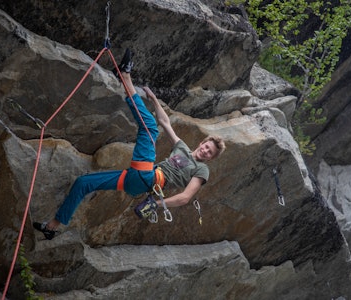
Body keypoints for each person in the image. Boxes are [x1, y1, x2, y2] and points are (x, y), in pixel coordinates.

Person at [33, 49, 226, 240]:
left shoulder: (201, 170)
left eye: (210, 153)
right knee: (83, 183)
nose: (205, 151)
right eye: (207, 146)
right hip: (136, 179)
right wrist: (154, 100)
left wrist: (156, 205)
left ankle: (125, 77)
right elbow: (166, 123)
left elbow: (185, 198)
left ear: (211, 158)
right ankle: (52, 226)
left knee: (149, 129)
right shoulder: (182, 147)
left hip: (148, 179)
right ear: (202, 143)